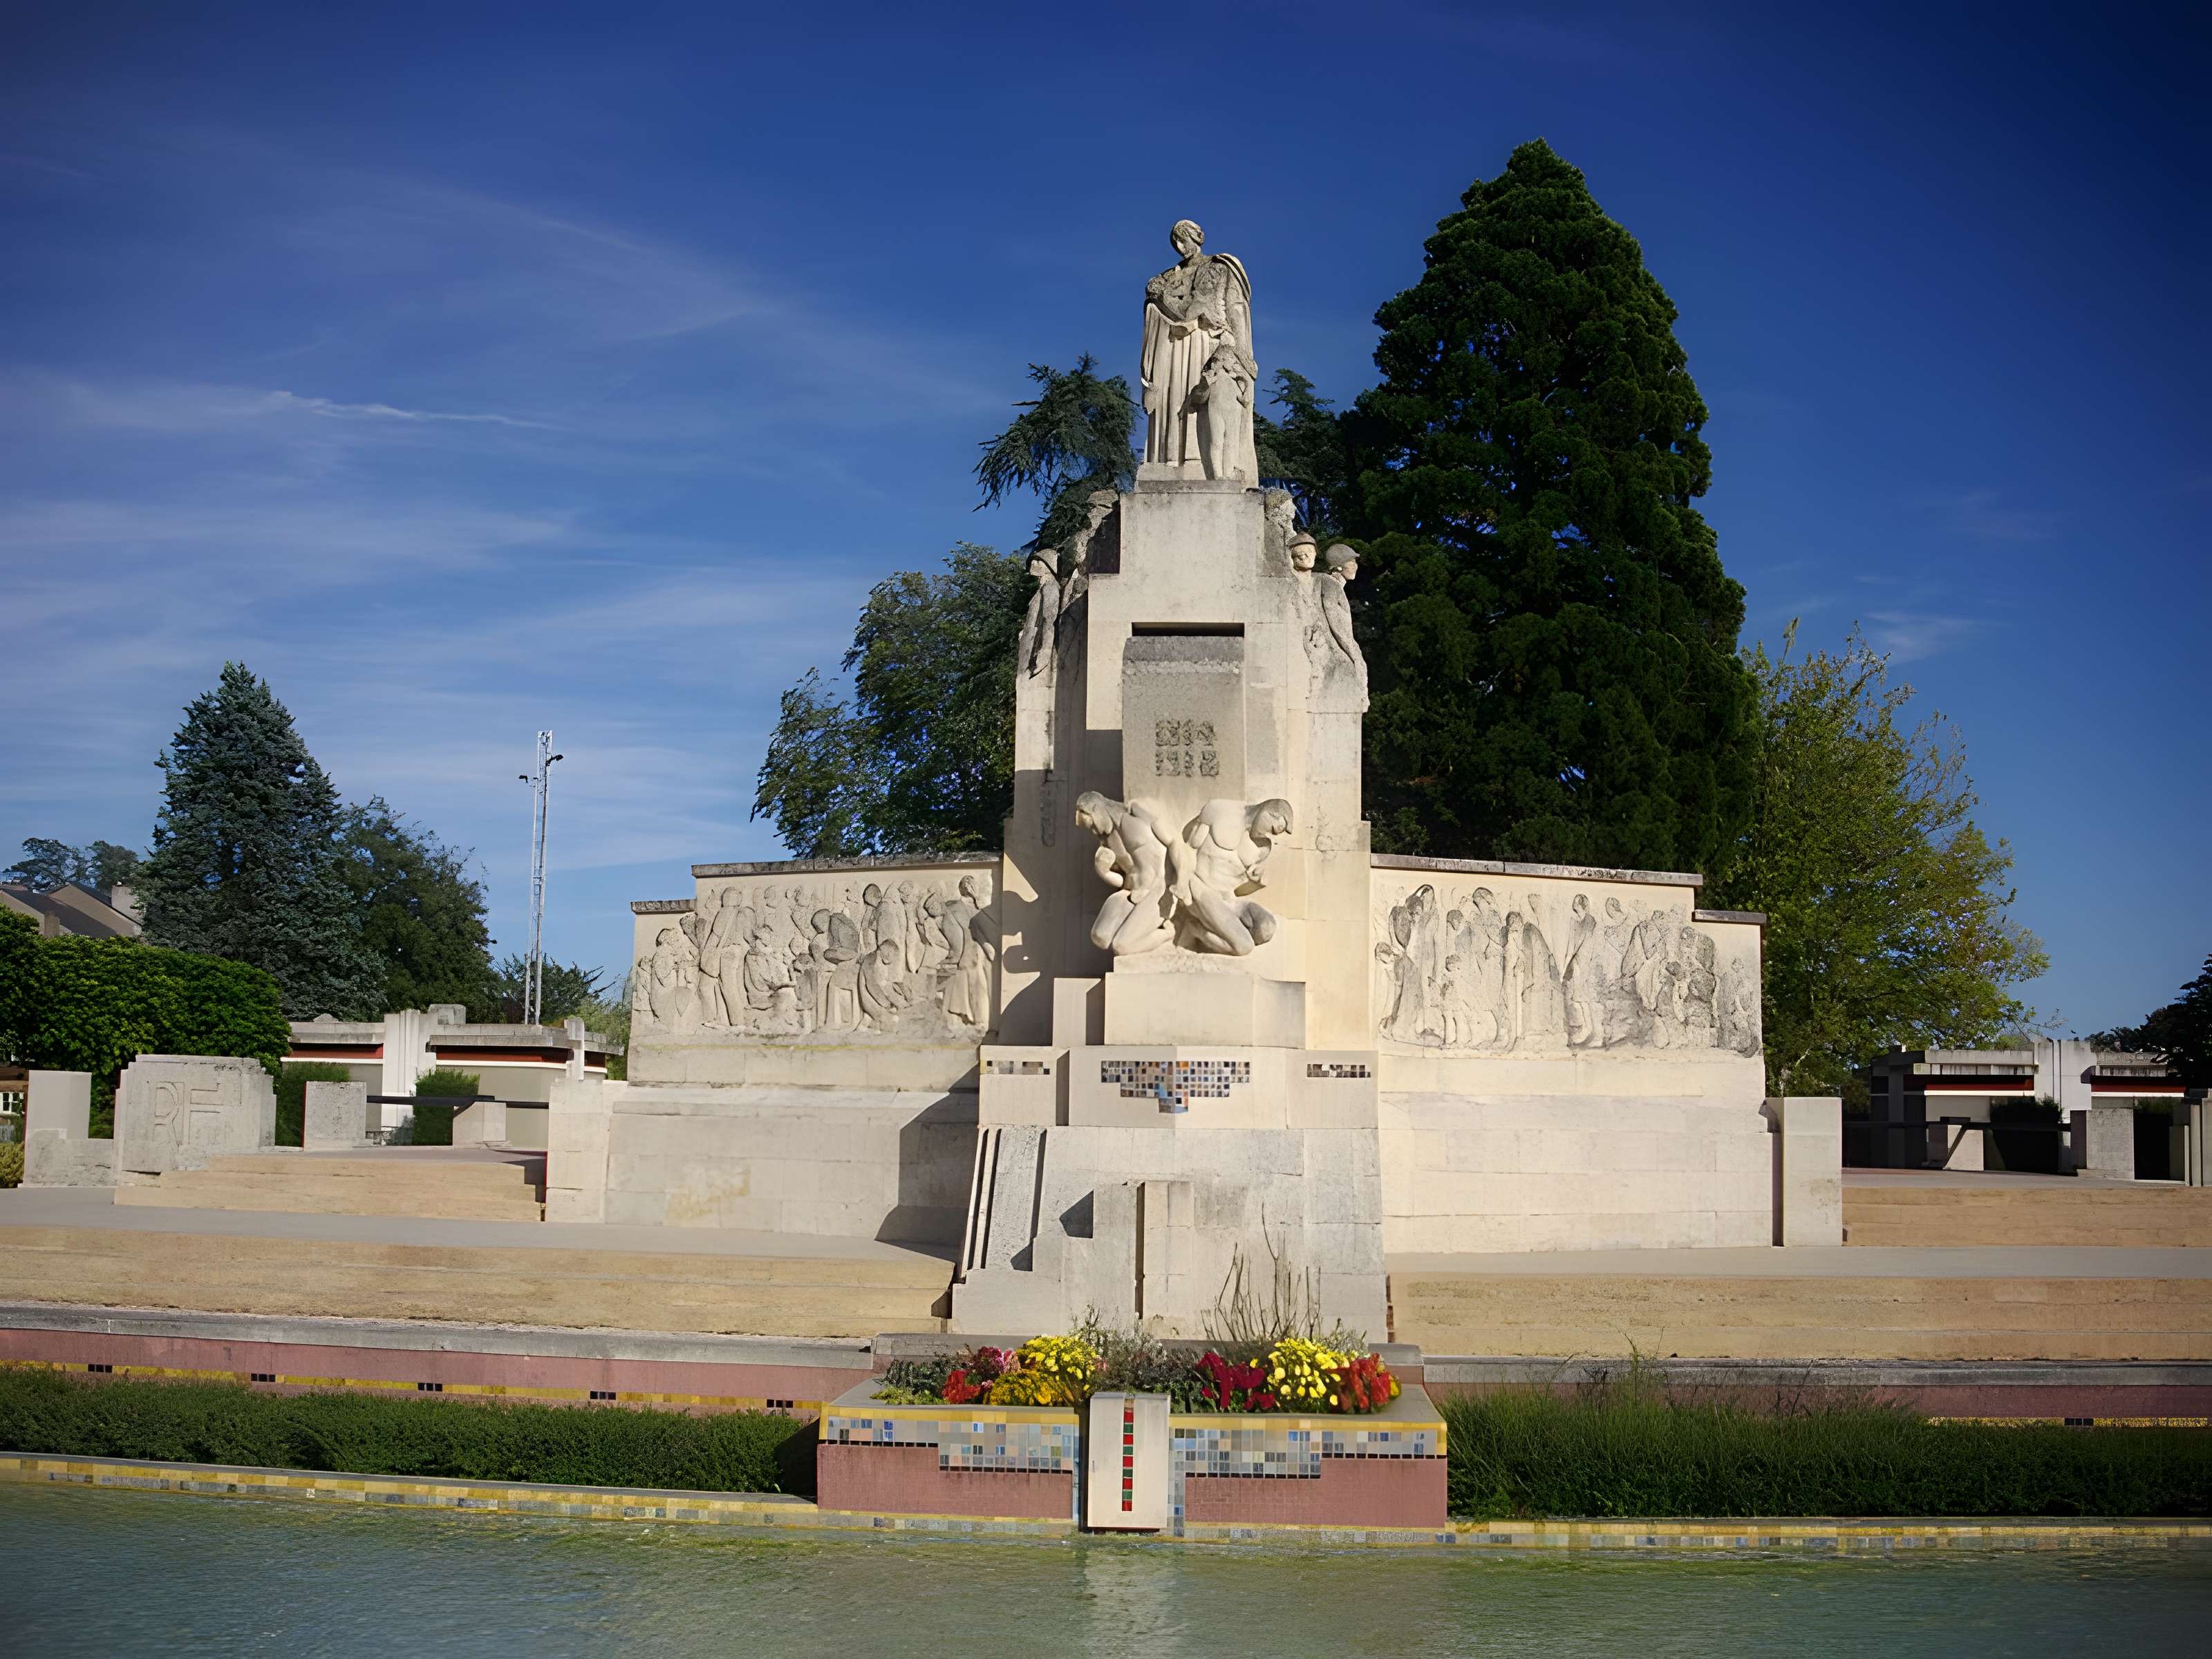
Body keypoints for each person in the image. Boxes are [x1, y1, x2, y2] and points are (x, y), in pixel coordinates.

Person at [1141, 219, 1255, 478]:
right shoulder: (1169, 276)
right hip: (1173, 348)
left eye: (1185, 239)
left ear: (1198, 238)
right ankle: (1171, 461)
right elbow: (1159, 310)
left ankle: (1203, 465)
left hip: (1207, 345)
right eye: (1176, 242)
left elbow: (1229, 309)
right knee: (1176, 398)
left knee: (1206, 405)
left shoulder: (1219, 267)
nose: (1181, 246)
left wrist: (1241, 355)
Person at [1171, 798, 1293, 956]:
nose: (1270, 836)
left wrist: (1254, 884)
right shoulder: (1220, 811)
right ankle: (1197, 930)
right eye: (1273, 830)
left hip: (1229, 900)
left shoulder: (1262, 848)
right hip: (1200, 889)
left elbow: (1238, 890)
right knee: (1244, 946)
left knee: (1266, 928)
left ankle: (1214, 931)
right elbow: (1187, 849)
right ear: (1268, 813)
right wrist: (1181, 882)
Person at [1075, 791, 1177, 955]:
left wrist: (1183, 881)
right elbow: (1123, 880)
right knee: (1100, 937)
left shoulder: (1134, 818)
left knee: (1122, 947)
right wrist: (1104, 872)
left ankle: (1168, 933)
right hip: (1131, 892)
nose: (1094, 831)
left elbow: (1173, 844)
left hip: (1157, 892)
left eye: (1093, 825)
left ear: (1097, 809)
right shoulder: (1108, 840)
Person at [1015, 549, 1060, 679]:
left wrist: (1044, 655)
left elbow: (1049, 619)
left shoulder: (1051, 586)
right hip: (1029, 647)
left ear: (1048, 566)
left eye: (1039, 561)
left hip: (1036, 653)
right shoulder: (1042, 589)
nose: (1034, 563)